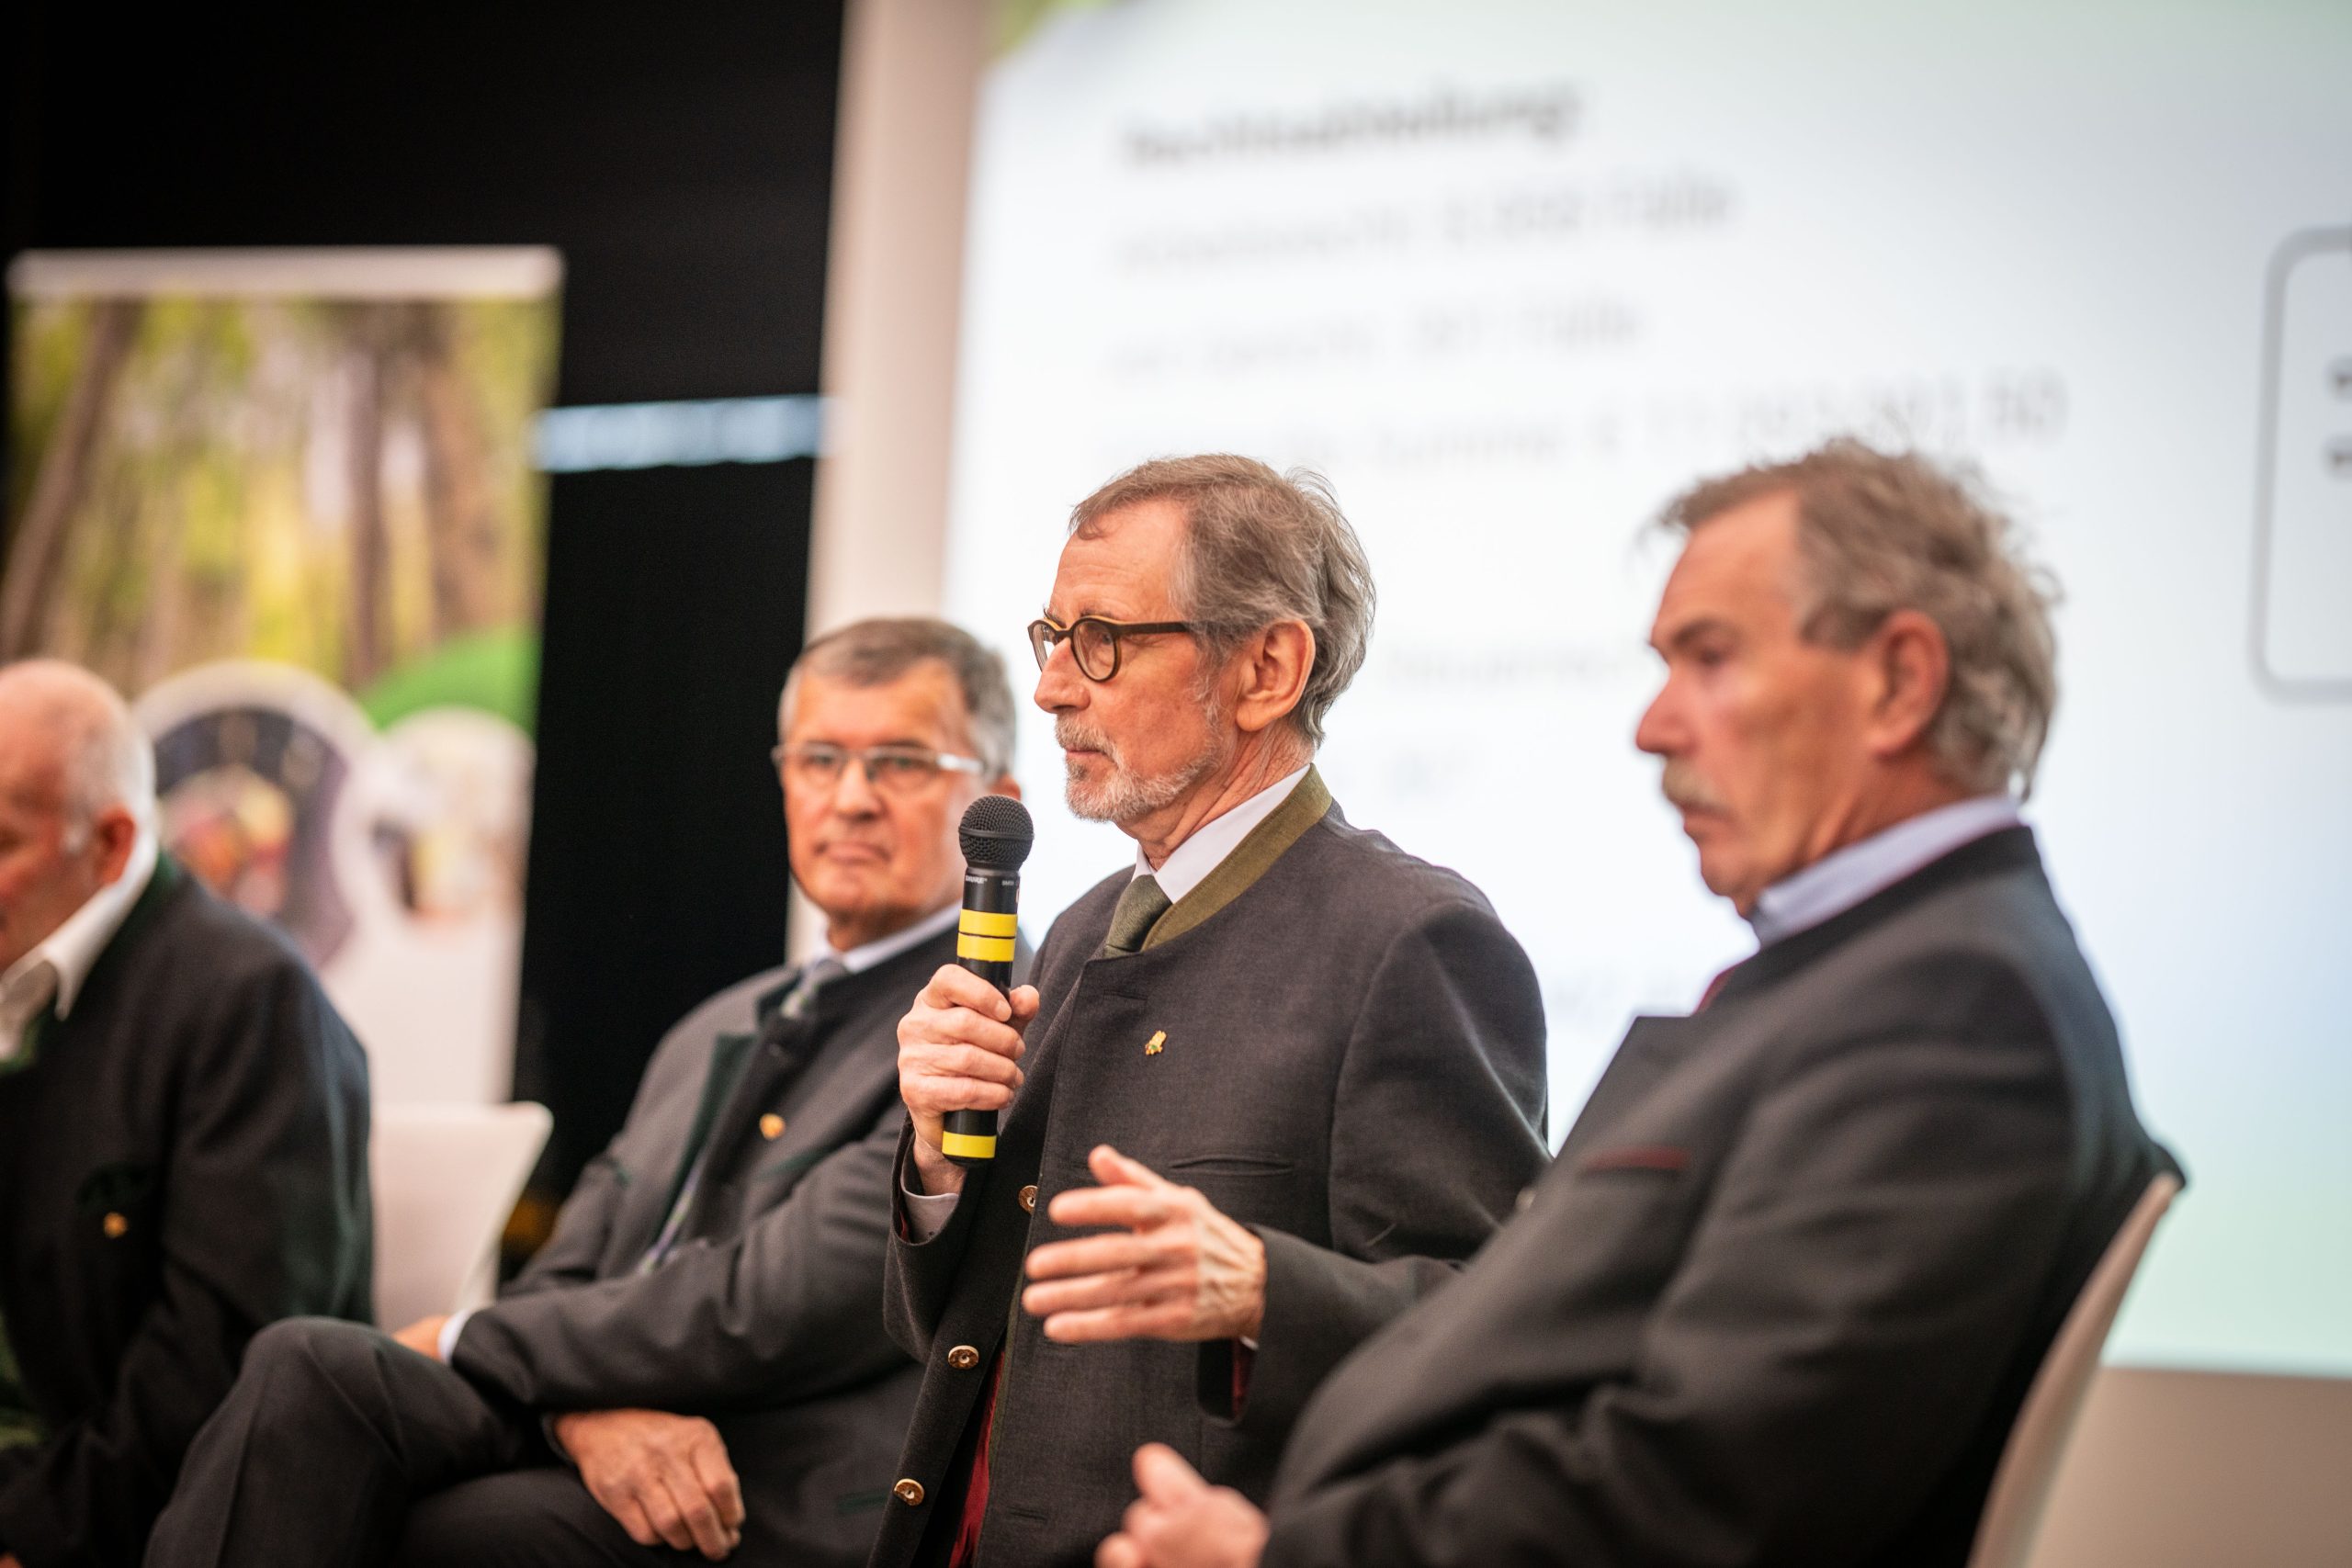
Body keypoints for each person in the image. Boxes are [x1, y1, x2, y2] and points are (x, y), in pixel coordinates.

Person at [1093, 439, 2182, 1568]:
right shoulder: (1883, 973)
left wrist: (1283, 1556)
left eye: (1710, 659)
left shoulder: (1954, 1014)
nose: (1651, 726)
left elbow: (1701, 1487)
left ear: (1900, 681)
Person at [144, 618, 1024, 1568]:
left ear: (996, 801)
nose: (849, 799)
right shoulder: (717, 1024)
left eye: (901, 762)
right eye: (819, 759)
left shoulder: (986, 1032)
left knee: (431, 1530)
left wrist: (469, 1337)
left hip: (754, 1483)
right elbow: (564, 1271)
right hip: (593, 1416)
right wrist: (581, 1415)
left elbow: (766, 1308)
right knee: (306, 1364)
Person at [873, 457, 1550, 1568]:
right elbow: (943, 1336)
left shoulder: (1408, 938)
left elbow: (1490, 1332)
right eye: (1053, 637)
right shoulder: (1084, 926)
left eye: (1103, 640)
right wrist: (937, 1163)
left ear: (1267, 669)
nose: (1051, 689)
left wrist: (1258, 1291)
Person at [0, 660, 371, 1568]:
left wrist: (27, 1535)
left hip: (117, 1526)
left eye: (1, 841)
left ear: (112, 842)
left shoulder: (253, 1004)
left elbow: (219, 1379)